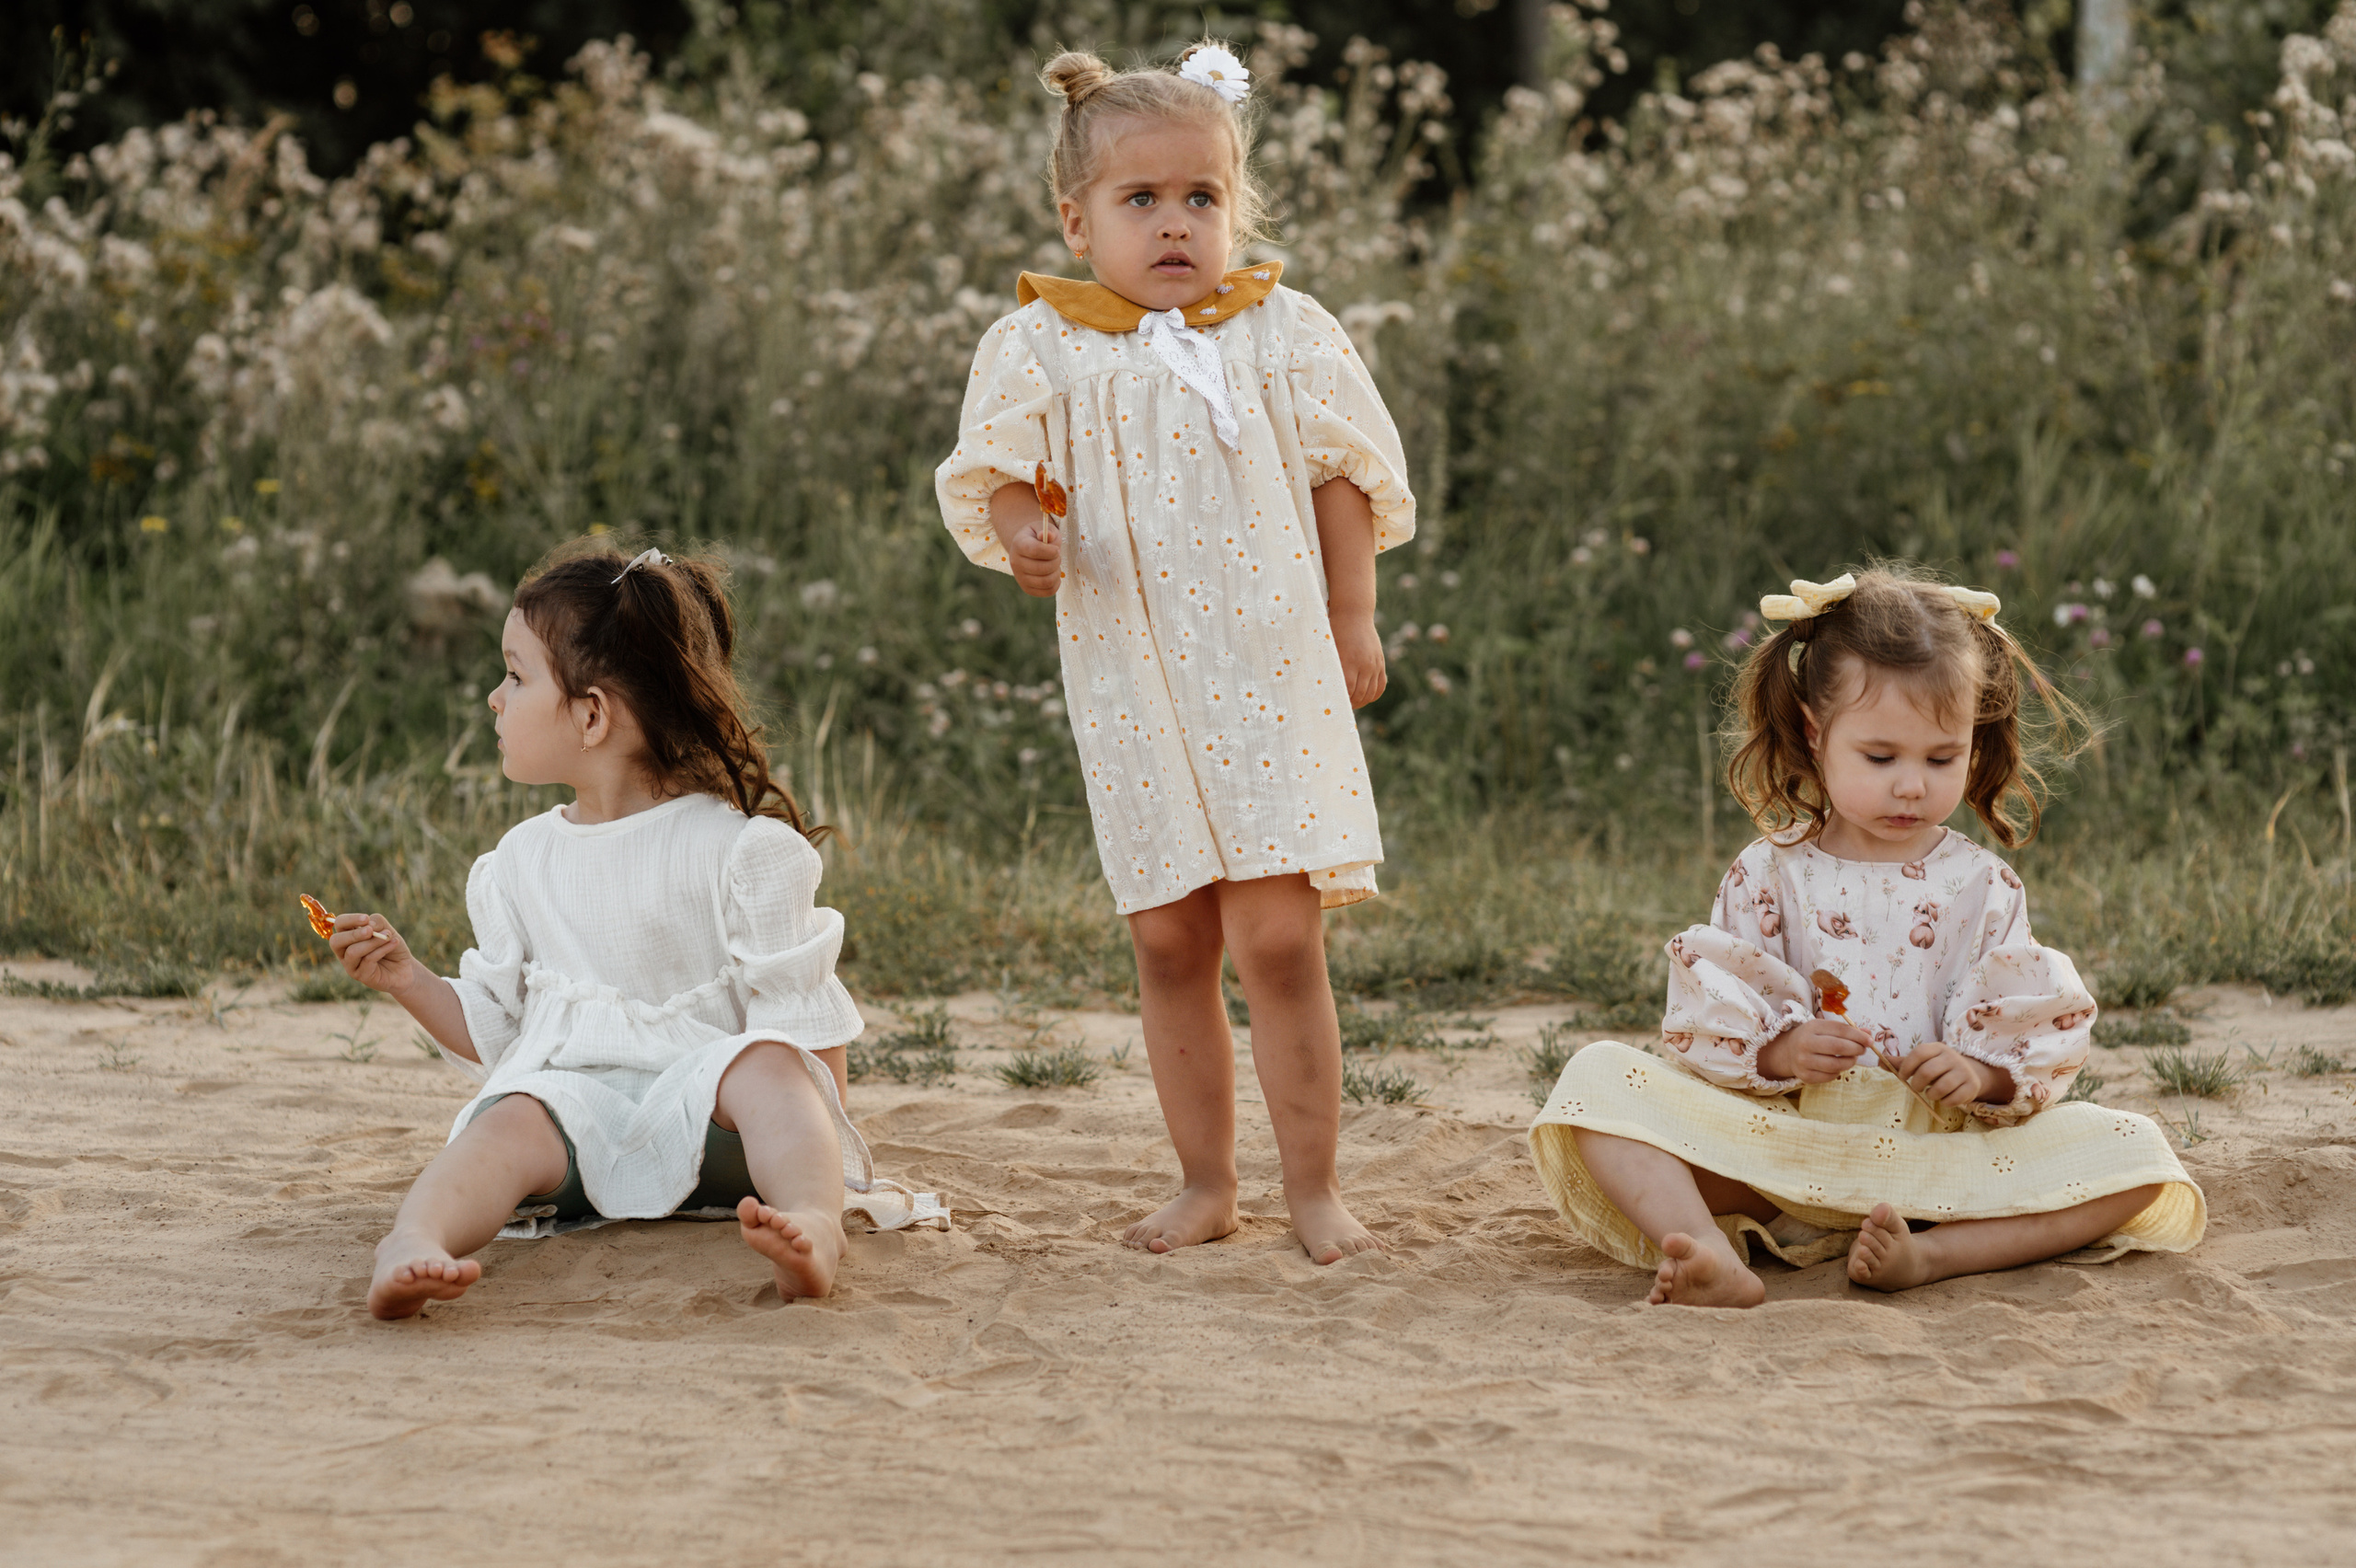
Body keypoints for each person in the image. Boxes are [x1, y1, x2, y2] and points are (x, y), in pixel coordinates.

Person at [934, 43, 1415, 1263]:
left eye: (1201, 197)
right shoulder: (1041, 345)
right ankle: (1207, 1182)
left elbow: (1342, 474)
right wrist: (1023, 532)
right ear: (1077, 218)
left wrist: (1353, 614)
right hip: (1134, 684)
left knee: (1278, 938)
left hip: (1270, 670)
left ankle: (1314, 1188)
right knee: (1168, 939)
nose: (1173, 224)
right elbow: (997, 472)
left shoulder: (1280, 331)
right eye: (1140, 199)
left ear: (1234, 207)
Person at [1529, 568, 2205, 1307]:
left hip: (1938, 1166)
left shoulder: (1984, 886)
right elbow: (1716, 1018)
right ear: (1816, 735)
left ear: (1973, 744)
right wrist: (1782, 1050)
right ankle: (1708, 1252)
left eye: (1941, 758)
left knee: (2136, 1155)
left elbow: (2021, 1038)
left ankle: (1932, 1256)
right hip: (1782, 1158)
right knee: (1596, 1078)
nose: (1911, 784)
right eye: (1881, 757)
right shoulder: (1768, 873)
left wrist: (1980, 1076)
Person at [331, 546, 914, 1320]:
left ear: (592, 714)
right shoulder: (520, 862)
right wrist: (408, 979)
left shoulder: (740, 850)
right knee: (508, 1115)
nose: (494, 699)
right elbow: (499, 1034)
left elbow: (804, 1022)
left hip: (728, 1139)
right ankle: (414, 1240)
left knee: (771, 1062)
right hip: (573, 1135)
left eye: (515, 676)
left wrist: (821, 1153)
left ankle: (812, 1224)